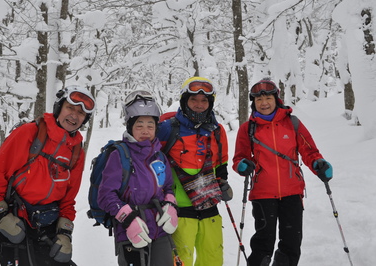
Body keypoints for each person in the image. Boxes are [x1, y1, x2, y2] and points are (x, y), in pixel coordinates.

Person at [0, 85, 96, 266]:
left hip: (49, 221)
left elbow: (68, 198)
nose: (75, 115)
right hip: (14, 217)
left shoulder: (76, 151)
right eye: (70, 108)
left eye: (81, 113)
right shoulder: (30, 133)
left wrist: (65, 232)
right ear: (59, 108)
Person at [232, 78, 333, 266]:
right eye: (259, 100)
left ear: (276, 99)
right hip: (263, 194)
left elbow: (309, 151)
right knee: (263, 244)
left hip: (292, 193)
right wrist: (242, 165)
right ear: (253, 102)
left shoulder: (292, 123)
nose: (264, 103)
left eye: (268, 98)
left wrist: (318, 163)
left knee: (291, 244)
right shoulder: (248, 128)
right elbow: (239, 157)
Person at [157, 76, 233, 266]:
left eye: (204, 100)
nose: (199, 105)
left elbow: (221, 164)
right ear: (184, 100)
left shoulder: (217, 130)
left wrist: (223, 182)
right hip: (180, 209)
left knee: (213, 258)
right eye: (193, 99)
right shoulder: (167, 129)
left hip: (210, 206)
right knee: (182, 260)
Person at [98, 90, 178, 266]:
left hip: (160, 231)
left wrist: (171, 206)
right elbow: (105, 195)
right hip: (131, 232)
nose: (145, 131)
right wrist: (128, 219)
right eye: (139, 125)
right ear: (130, 127)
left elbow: (168, 187)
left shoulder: (160, 156)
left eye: (150, 125)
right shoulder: (119, 156)